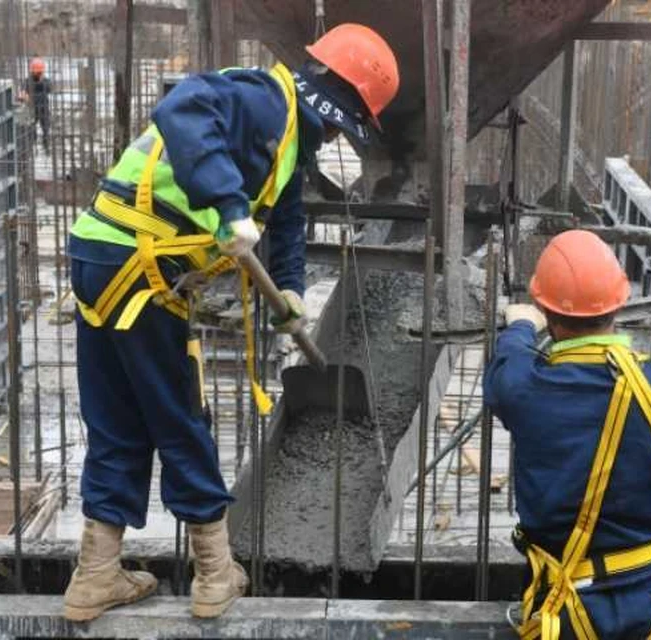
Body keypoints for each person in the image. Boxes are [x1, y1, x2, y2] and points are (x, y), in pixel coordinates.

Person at [62, 24, 399, 622]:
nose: (340, 138)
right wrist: (228, 203)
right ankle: (216, 572)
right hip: (137, 269)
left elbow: (288, 221)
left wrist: (290, 291)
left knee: (118, 418)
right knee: (181, 419)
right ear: (338, 102)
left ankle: (95, 575)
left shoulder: (291, 144)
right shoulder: (260, 99)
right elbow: (181, 105)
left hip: (100, 256)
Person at [484, 230, 651, 639]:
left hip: (567, 610)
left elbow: (510, 360)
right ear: (621, 302)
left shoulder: (523, 389)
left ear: (545, 307)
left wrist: (522, 325)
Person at [19, 57, 51, 152]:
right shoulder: (28, 82)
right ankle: (32, 146)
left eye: (39, 72)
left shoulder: (45, 82)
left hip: (43, 108)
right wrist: (23, 96)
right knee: (31, 129)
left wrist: (40, 81)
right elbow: (22, 94)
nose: (38, 74)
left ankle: (46, 146)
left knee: (46, 128)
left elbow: (49, 88)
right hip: (32, 109)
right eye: (37, 72)